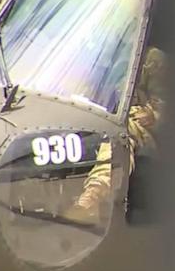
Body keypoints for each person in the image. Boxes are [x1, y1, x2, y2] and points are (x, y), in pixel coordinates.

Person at [64, 46, 166, 225]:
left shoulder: (152, 59)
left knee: (120, 131)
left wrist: (152, 114)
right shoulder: (94, 48)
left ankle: (93, 197)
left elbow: (172, 108)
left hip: (142, 134)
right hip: (95, 119)